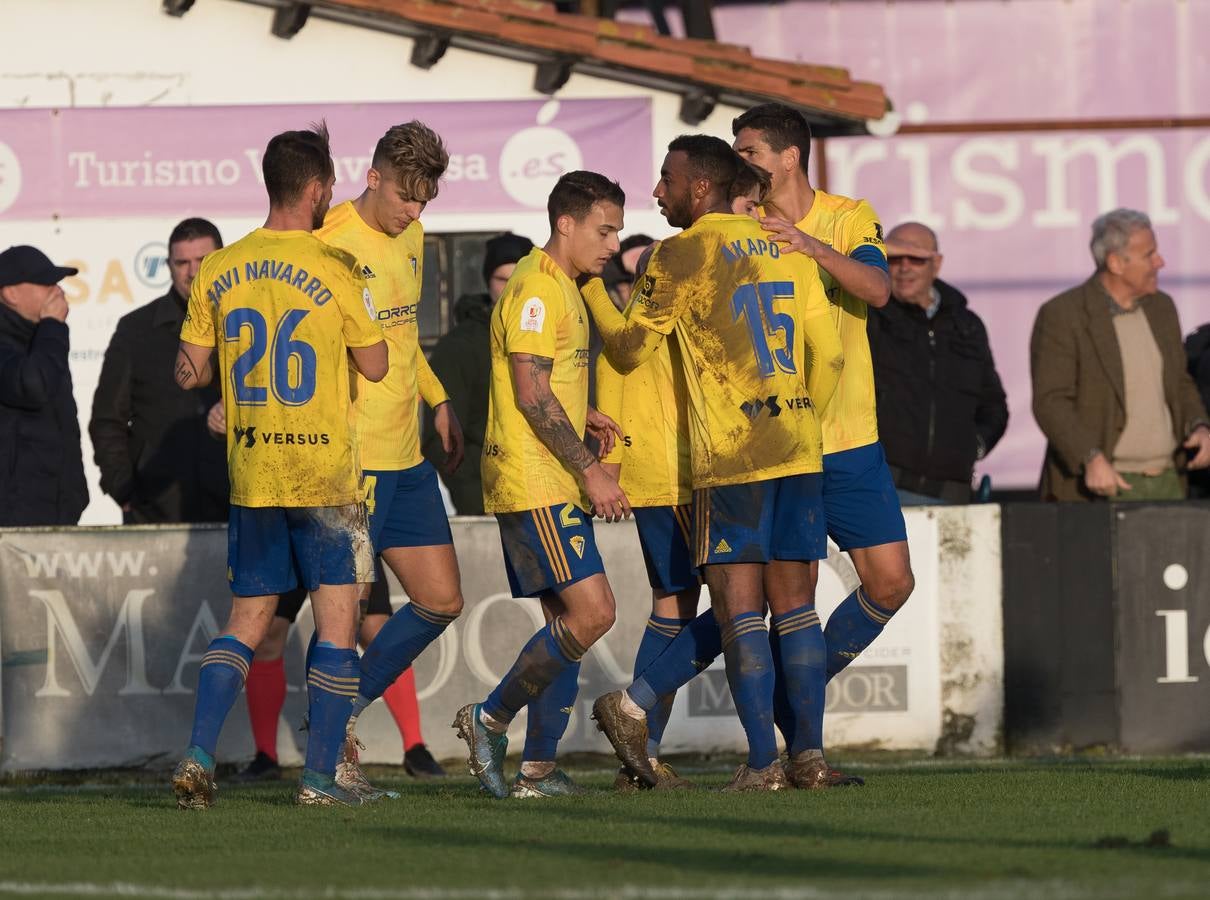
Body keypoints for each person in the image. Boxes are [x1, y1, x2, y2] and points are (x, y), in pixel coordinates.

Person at [584, 135, 844, 792]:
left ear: (700, 187)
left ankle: (762, 765)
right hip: (798, 448)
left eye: (666, 179)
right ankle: (808, 759)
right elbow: (831, 356)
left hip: (733, 457)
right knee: (799, 611)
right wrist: (802, 416)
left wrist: (588, 288)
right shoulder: (788, 247)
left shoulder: (684, 250)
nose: (658, 192)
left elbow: (627, 350)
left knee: (741, 614)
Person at [171, 121, 388, 809]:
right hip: (327, 476)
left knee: (247, 619)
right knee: (337, 626)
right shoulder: (338, 268)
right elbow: (377, 365)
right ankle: (319, 780)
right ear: (320, 189)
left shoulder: (220, 268)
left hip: (254, 473)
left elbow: (187, 374)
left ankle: (199, 753)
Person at [451, 170, 629, 800]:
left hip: (548, 474)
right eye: (604, 230)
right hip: (536, 480)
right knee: (595, 612)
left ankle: (538, 770)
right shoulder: (536, 289)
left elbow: (539, 382)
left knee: (566, 624)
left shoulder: (563, 287)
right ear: (566, 223)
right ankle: (489, 719)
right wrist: (590, 469)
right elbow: (529, 393)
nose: (612, 245)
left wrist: (581, 412)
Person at [733, 102, 914, 712]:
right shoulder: (742, 224)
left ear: (789, 157)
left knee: (891, 583)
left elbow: (877, 289)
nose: (742, 163)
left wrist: (807, 246)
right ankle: (644, 708)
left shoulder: (848, 216)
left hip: (851, 437)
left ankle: (794, 697)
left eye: (750, 151)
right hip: (780, 441)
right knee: (774, 602)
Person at [312, 121, 466, 798]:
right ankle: (333, 758)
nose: (415, 212)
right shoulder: (329, 245)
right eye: (407, 197)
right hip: (353, 462)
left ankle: (339, 713)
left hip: (408, 456)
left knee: (441, 599)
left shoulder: (414, 235)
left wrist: (436, 398)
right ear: (372, 177)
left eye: (425, 201)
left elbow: (401, 336)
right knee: (347, 615)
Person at [1031, 208, 1210, 501]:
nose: (1160, 262)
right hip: (1100, 485)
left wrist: (1200, 426)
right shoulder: (1064, 315)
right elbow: (1051, 402)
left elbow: (1179, 382)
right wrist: (1089, 457)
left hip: (1168, 481)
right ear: (1115, 263)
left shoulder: (1161, 308)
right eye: (1149, 255)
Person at [234, 562, 446, 783]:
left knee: (376, 629)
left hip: (346, 534)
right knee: (268, 633)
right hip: (289, 534)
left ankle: (415, 746)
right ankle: (266, 755)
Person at [90, 218, 229, 524]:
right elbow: (107, 419)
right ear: (168, 265)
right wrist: (123, 489)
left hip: (239, 505)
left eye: (203, 261)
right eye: (182, 262)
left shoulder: (249, 322)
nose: (192, 272)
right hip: (156, 510)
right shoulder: (136, 329)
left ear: (222, 258)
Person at [868, 222, 1008, 504]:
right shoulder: (866, 315)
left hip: (953, 491)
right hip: (884, 486)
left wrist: (973, 447)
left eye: (916, 258)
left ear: (937, 263)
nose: (904, 267)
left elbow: (993, 404)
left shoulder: (966, 325)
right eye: (894, 257)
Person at [423, 232, 533, 514]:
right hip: (486, 502)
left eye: (520, 280)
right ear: (488, 282)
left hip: (547, 492)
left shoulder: (557, 334)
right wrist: (475, 498)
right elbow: (441, 436)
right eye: (502, 280)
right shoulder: (459, 347)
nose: (512, 290)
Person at [0, 245, 87, 526]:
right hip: (13, 519)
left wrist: (75, 495)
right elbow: (32, 386)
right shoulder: (44, 336)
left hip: (57, 511)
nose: (57, 290)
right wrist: (52, 326)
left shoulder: (40, 339)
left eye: (57, 282)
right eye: (45, 283)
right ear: (10, 293)